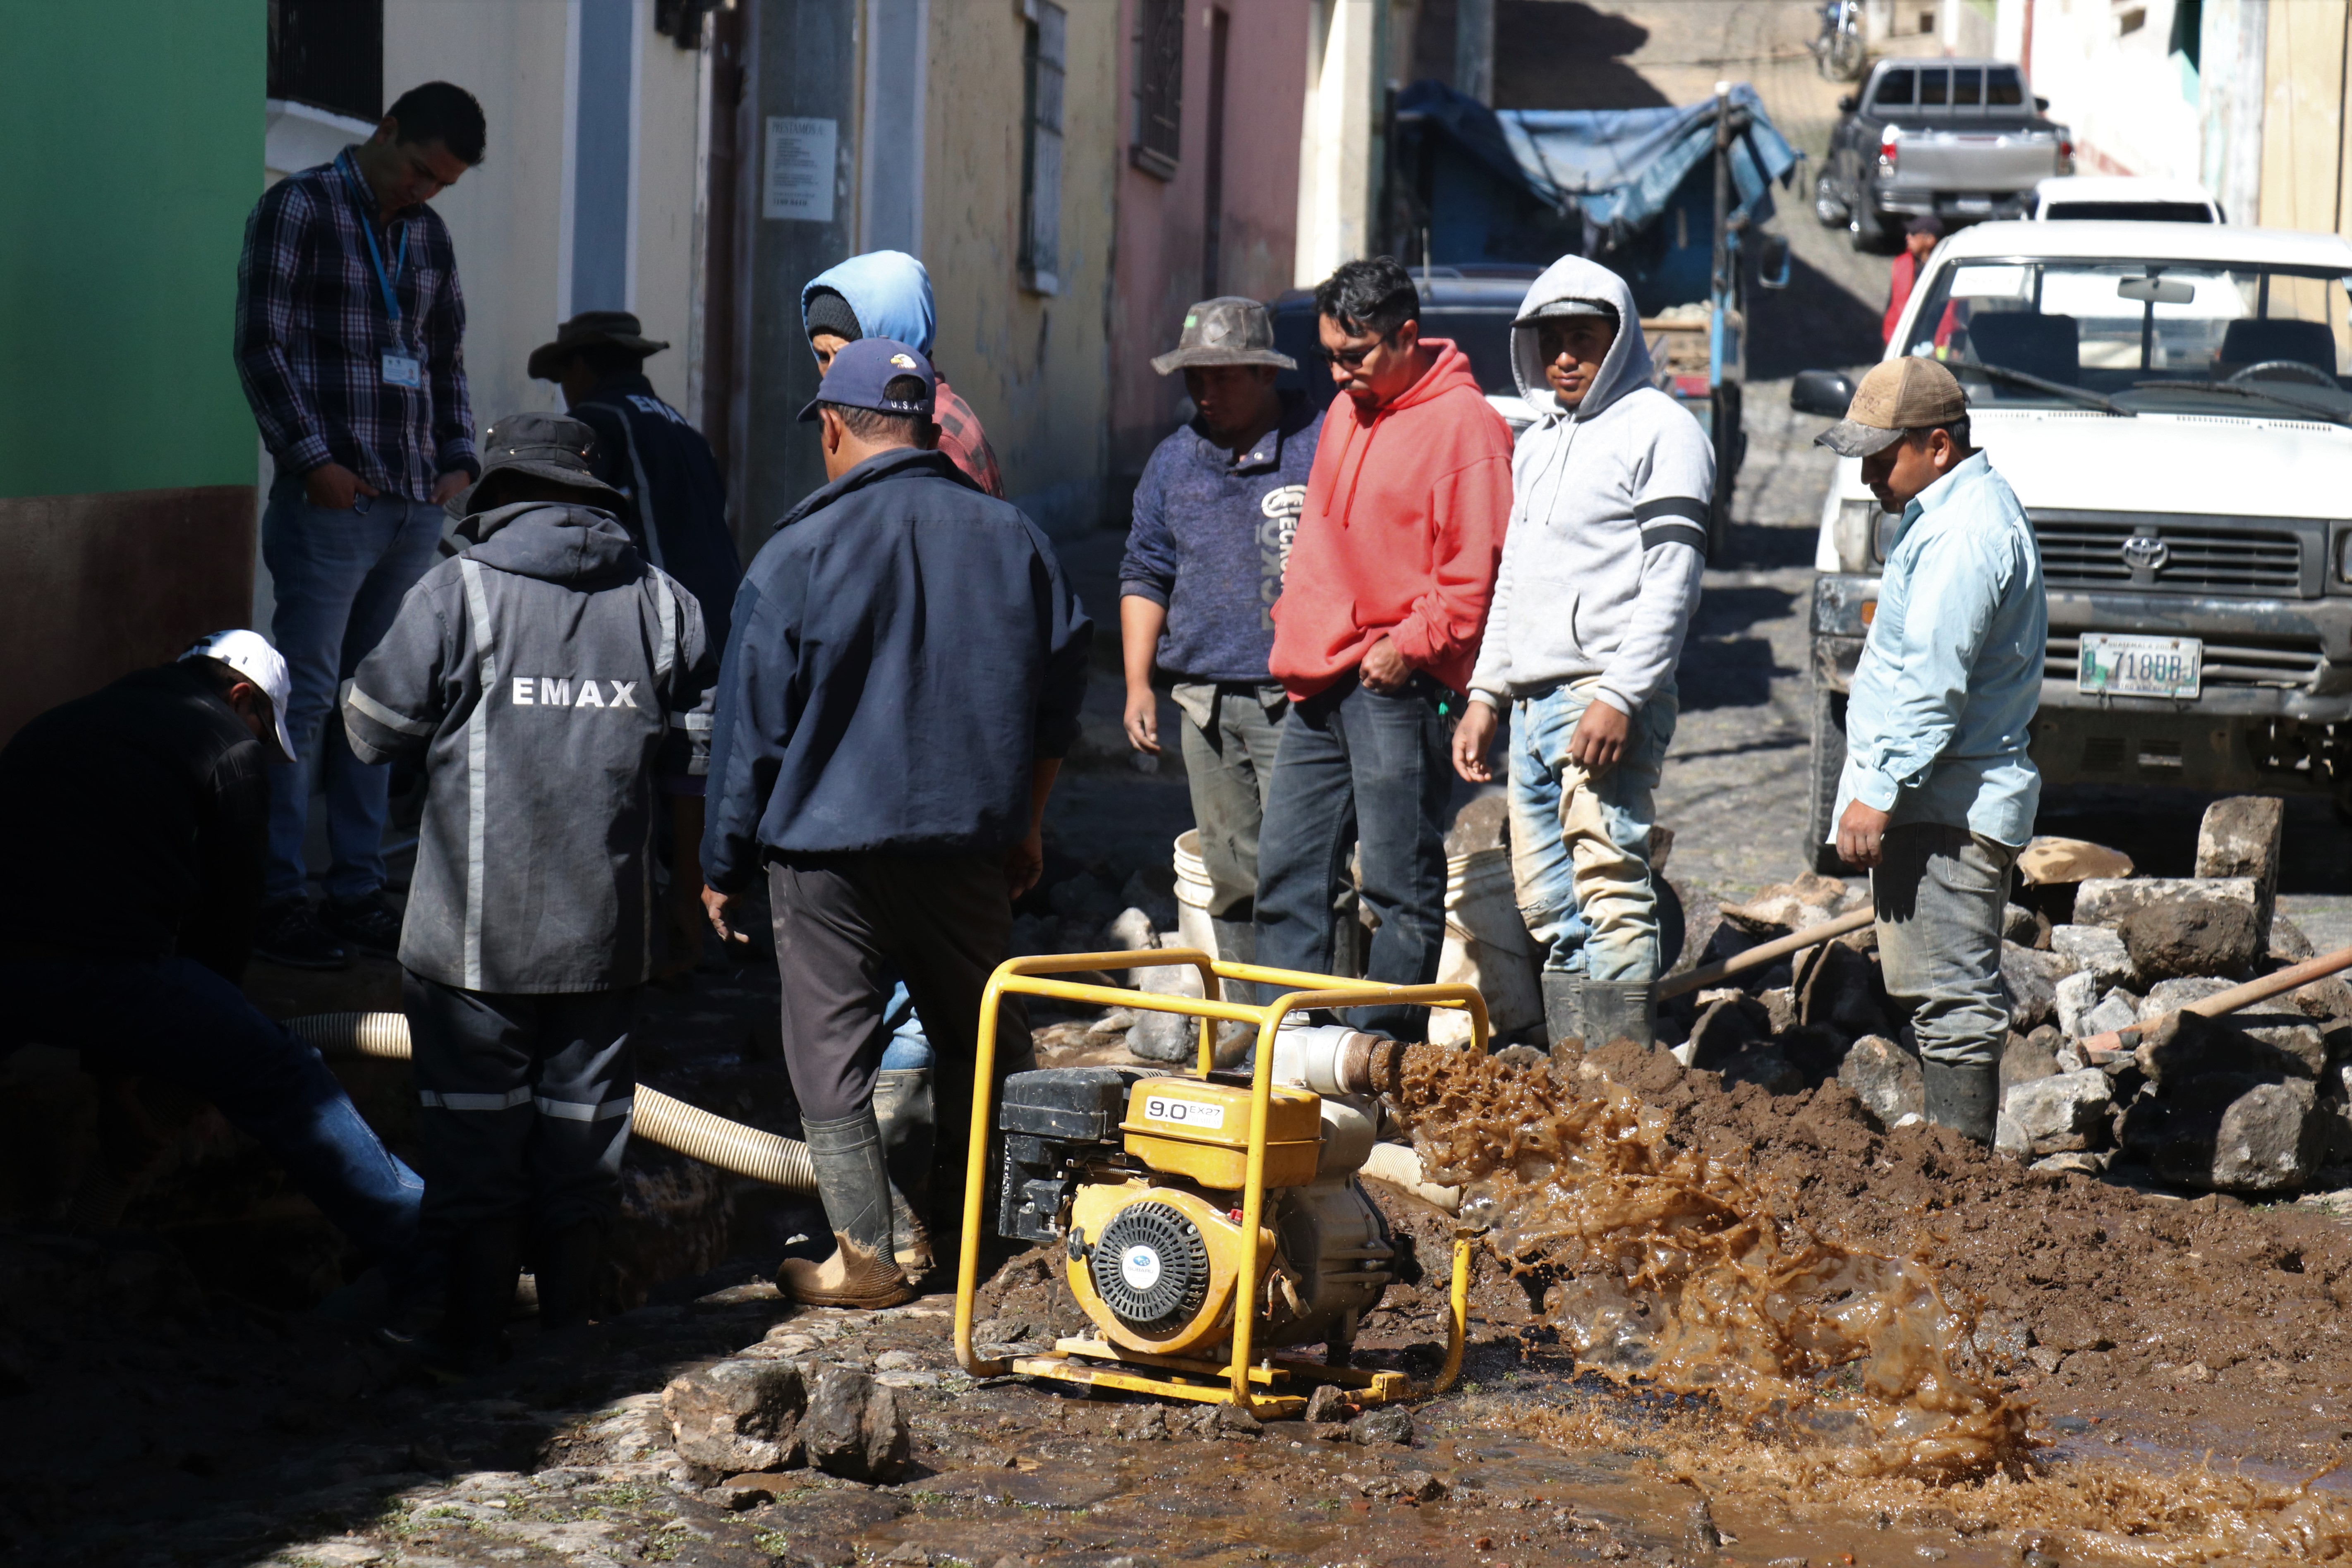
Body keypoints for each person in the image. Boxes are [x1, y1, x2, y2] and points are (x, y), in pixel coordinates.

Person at [701, 340, 1090, 1309]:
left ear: (833, 429)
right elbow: (1057, 704)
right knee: (985, 1034)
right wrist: (1027, 826)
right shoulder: (1018, 541)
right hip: (967, 847)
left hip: (823, 856)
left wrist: (722, 862)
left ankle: (865, 1255)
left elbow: (750, 725)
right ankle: (990, 1245)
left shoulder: (796, 551)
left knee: (828, 1050)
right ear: (926, 428)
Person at [341, 414, 718, 1371]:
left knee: (475, 1144)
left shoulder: (452, 595)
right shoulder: (666, 606)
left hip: (471, 944)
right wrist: (691, 896)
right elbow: (697, 762)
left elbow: (368, 729)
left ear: (497, 496)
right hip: (608, 937)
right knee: (582, 1144)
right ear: (598, 498)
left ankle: (468, 1341)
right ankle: (571, 1338)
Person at [0, 632, 422, 1275]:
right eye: (262, 729)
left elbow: (78, 921)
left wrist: (121, 1087)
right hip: (109, 970)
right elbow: (224, 927)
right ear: (239, 695)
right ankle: (436, 1255)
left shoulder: (63, 720)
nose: (260, 747)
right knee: (284, 1076)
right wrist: (212, 1041)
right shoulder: (225, 744)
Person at [235, 80, 488, 971]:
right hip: (332, 504)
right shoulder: (298, 208)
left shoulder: (427, 235)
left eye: (441, 183)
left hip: (415, 501)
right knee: (301, 699)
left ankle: (353, 891)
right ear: (384, 133)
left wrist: (458, 459)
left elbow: (445, 352)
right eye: (418, 169)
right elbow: (261, 343)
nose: (423, 191)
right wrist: (313, 462)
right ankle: (278, 894)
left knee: (373, 705)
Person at [1452, 257, 1714, 1050]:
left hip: (1597, 695)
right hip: (1532, 705)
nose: (1565, 357)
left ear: (1623, 340)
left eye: (1585, 340)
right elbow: (1516, 582)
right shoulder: (1538, 443)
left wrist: (1622, 696)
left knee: (1610, 888)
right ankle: (1583, 1087)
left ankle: (1623, 1092)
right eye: (1552, 341)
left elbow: (1674, 581)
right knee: (1550, 906)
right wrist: (1485, 694)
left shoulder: (1662, 432)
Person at [1252, 258, 1512, 1037]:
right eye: (1328, 354)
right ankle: (1286, 1055)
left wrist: (1409, 646)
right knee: (1289, 874)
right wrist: (1294, 616)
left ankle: (1379, 1061)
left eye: (1354, 355)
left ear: (1408, 335)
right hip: (1318, 678)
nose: (1336, 375)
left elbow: (1476, 578)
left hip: (1396, 687)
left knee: (1397, 885)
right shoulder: (1347, 411)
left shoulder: (1467, 428)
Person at [1816, 357, 2044, 1143]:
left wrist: (1877, 788)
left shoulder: (1964, 532)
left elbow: (1930, 684)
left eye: (1882, 457)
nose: (1870, 476)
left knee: (1953, 1005)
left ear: (1938, 446)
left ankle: (1965, 1197)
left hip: (1948, 803)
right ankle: (1958, 1187)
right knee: (1943, 999)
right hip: (1940, 797)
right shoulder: (1946, 515)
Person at [529, 310, 742, 980]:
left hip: (658, 615)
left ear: (582, 367)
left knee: (649, 767)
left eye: (564, 377)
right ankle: (698, 904)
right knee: (694, 760)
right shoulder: (680, 424)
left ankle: (669, 920)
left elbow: (594, 528)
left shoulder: (599, 422)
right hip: (719, 608)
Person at [1120, 297, 1321, 976]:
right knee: (1231, 872)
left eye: (1223, 376)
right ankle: (1252, 1024)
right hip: (1204, 702)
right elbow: (1146, 569)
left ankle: (1322, 1028)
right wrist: (1139, 685)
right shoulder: (1174, 464)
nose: (1206, 393)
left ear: (1266, 374)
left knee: (1311, 870)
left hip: (1298, 701)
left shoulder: (1319, 445)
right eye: (1193, 378)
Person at [800, 250, 1004, 496]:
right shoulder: (889, 417)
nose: (833, 372)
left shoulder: (933, 435)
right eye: (823, 356)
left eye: (846, 354)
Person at [1884, 215, 1943, 345]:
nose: (1908, 237)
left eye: (1913, 234)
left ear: (1930, 240)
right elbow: (1892, 304)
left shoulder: (1945, 269)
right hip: (1897, 338)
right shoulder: (1903, 263)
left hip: (1930, 342)